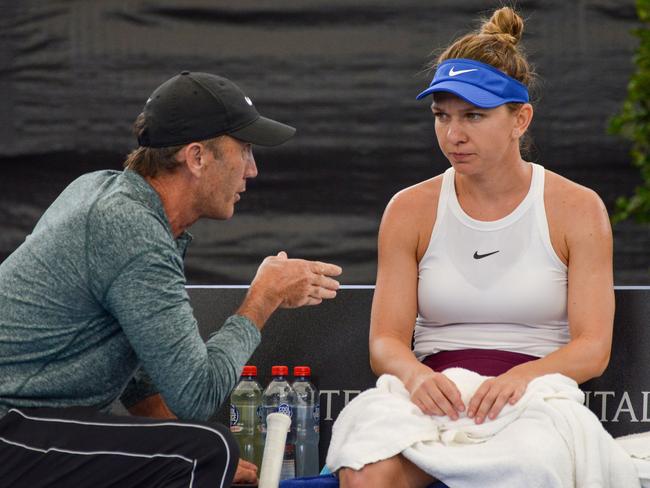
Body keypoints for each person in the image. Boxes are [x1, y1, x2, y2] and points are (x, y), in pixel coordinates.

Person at [0, 71, 342, 487]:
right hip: (11, 427)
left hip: (25, 427)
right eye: (245, 149)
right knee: (211, 449)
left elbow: (139, 370)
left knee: (200, 448)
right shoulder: (132, 229)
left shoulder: (103, 194)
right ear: (196, 157)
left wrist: (177, 441)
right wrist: (264, 296)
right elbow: (197, 394)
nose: (252, 169)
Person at [337, 7, 614, 487]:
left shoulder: (578, 208)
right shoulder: (408, 209)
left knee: (527, 468)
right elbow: (385, 342)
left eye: (473, 116)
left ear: (520, 119)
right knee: (364, 469)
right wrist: (419, 378)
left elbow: (593, 348)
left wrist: (519, 379)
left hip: (535, 400)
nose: (453, 134)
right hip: (429, 396)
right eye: (441, 116)